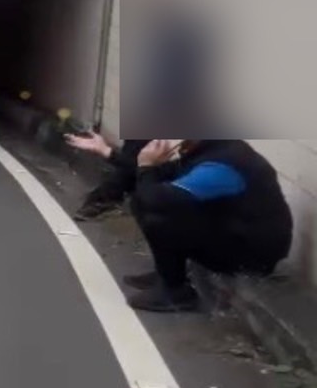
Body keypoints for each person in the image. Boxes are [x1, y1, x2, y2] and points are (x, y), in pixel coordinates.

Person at [67, 134, 293, 313]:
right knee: (153, 197)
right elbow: (166, 173)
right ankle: (167, 273)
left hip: (252, 255)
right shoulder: (213, 148)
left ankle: (175, 292)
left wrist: (147, 168)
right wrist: (106, 151)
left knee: (157, 213)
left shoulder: (223, 164)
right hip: (235, 231)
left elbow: (155, 199)